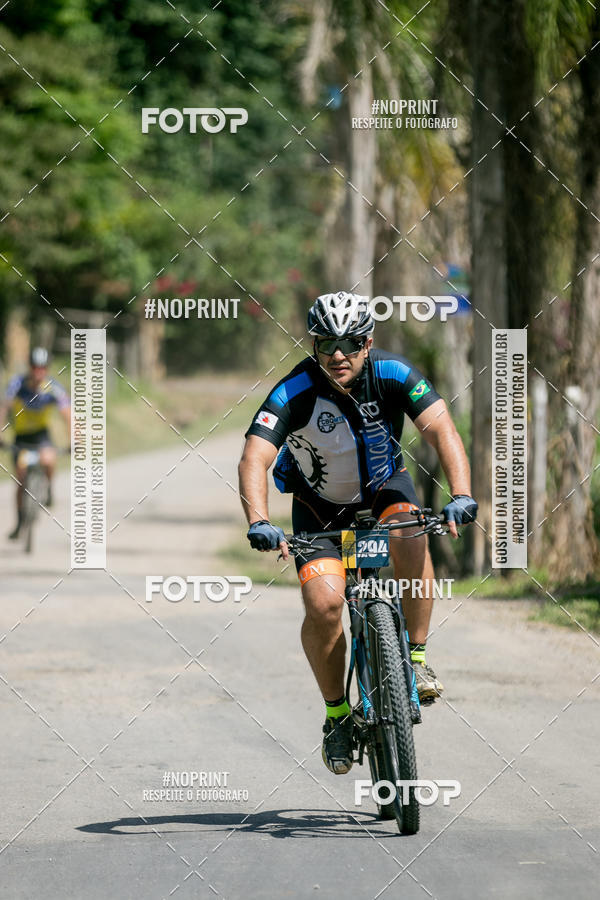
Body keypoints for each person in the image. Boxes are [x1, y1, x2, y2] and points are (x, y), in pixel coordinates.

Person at [238, 292, 477, 775]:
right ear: (314, 345)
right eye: (326, 343)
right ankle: (337, 716)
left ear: (367, 342)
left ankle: (416, 655)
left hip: (384, 489)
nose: (337, 355)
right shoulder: (294, 390)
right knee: (325, 604)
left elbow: (442, 431)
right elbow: (254, 457)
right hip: (318, 508)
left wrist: (461, 494)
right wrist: (259, 521)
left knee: (411, 530)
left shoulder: (394, 373)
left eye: (348, 342)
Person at [0, 347, 71, 538]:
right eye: (34, 367)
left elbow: (68, 415)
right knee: (20, 479)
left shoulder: (53, 387)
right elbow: (3, 408)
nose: (38, 372)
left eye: (42, 368)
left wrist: (74, 440)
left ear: (46, 369)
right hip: (21, 437)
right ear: (29, 367)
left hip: (41, 436)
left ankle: (48, 487)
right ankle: (19, 522)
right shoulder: (17, 384)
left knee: (48, 460)